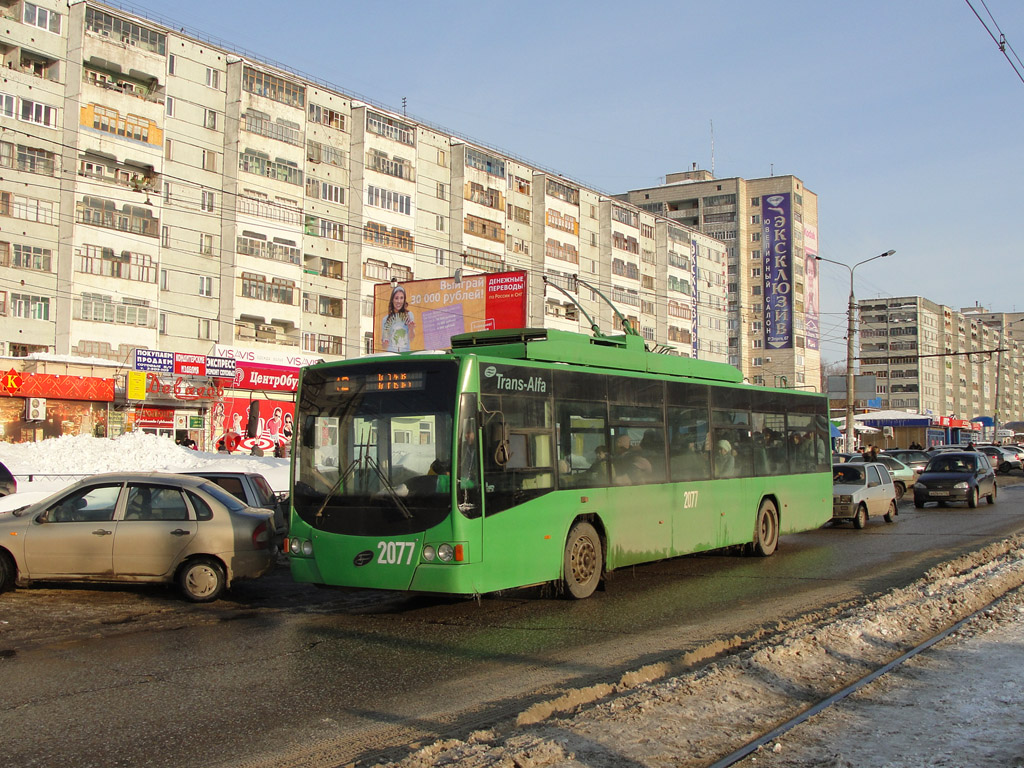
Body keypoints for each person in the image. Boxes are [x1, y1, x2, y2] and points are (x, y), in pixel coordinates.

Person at [381, 284, 416, 352]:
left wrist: (411, 328)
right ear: (392, 300)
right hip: (391, 357)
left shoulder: (409, 315)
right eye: (396, 298)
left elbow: (411, 338)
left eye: (401, 298)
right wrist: (385, 343)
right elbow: (384, 346)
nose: (399, 301)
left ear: (404, 300)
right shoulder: (385, 319)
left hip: (405, 356)